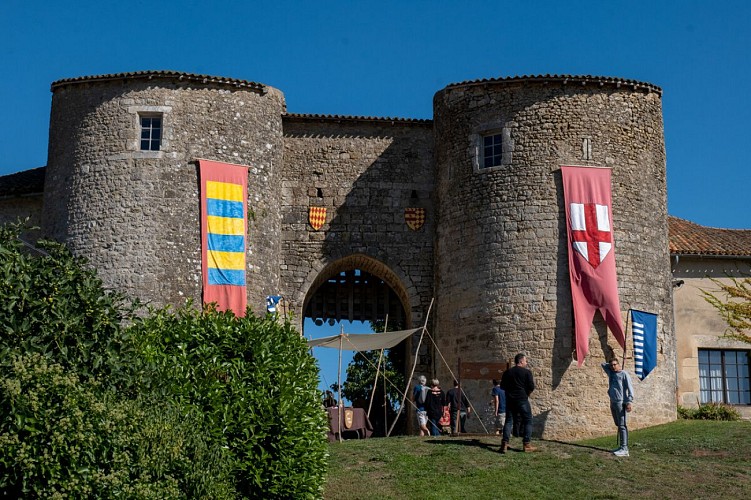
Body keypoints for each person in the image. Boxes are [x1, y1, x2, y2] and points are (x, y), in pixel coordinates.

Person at [500, 353, 536, 453]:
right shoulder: (527, 372)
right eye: (525, 361)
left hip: (510, 399)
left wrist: (510, 392)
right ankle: (526, 444)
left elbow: (502, 386)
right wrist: (526, 394)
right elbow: (531, 387)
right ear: (521, 361)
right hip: (522, 399)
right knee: (528, 420)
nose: (526, 363)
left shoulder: (507, 372)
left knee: (509, 421)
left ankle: (504, 443)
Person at [602, 357, 634, 457]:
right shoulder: (611, 373)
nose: (613, 366)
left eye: (615, 364)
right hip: (613, 402)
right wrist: (611, 365)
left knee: (622, 425)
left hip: (621, 403)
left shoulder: (624, 374)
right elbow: (603, 364)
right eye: (611, 365)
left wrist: (629, 402)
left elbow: (630, 388)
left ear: (619, 364)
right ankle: (621, 447)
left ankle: (625, 448)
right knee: (618, 424)